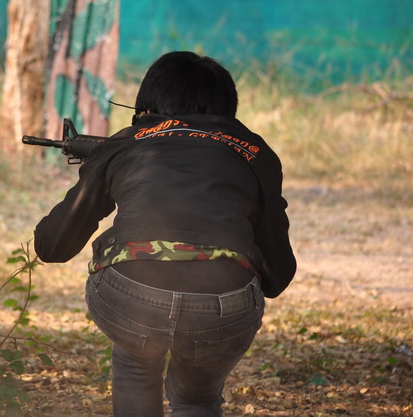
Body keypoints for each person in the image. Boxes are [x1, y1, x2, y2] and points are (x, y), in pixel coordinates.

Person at [34, 51, 295, 416]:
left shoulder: (125, 142)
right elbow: (278, 274)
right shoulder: (256, 152)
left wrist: (103, 170)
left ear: (145, 108)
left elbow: (52, 246)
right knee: (197, 400)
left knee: (136, 365)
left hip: (130, 297)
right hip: (225, 304)